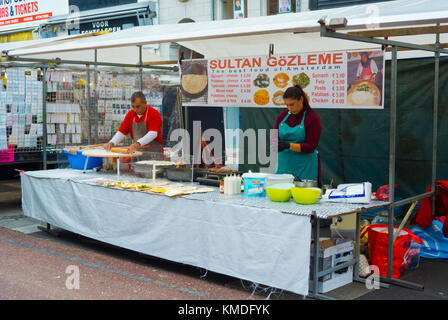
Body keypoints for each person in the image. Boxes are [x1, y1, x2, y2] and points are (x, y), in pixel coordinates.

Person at [275, 85, 322, 184]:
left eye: (292, 104)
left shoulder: (312, 118)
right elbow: (273, 139)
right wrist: (275, 145)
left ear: (301, 99)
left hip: (305, 167)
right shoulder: (282, 116)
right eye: (286, 105)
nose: (289, 108)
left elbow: (310, 146)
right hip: (284, 166)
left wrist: (288, 145)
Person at [103, 91, 163, 160]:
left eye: (138, 107)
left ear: (145, 103)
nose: (135, 109)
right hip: (137, 154)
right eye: (133, 107)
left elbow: (153, 133)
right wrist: (112, 142)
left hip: (154, 154)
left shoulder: (154, 114)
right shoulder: (131, 114)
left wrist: (138, 143)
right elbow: (122, 132)